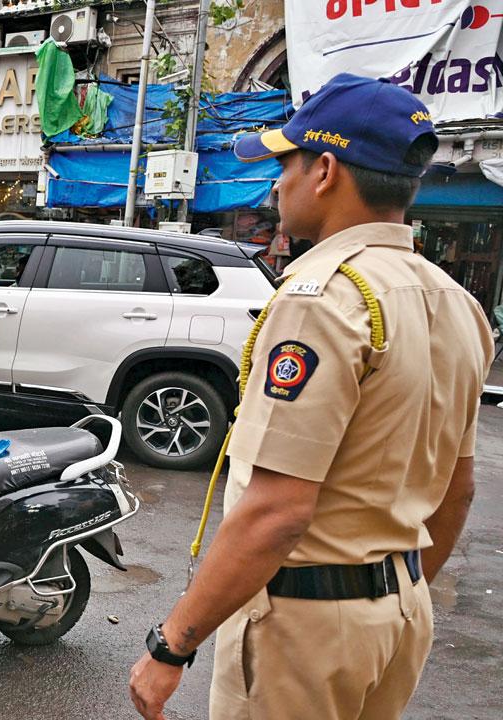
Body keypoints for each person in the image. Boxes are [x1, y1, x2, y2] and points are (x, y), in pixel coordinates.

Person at [127, 74, 494, 720]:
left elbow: (277, 511)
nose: (276, 184)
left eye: (284, 163)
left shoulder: (324, 298)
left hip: (304, 629)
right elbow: (456, 490)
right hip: (401, 615)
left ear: (324, 170)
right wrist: (386, 598)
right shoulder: (457, 303)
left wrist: (171, 645)